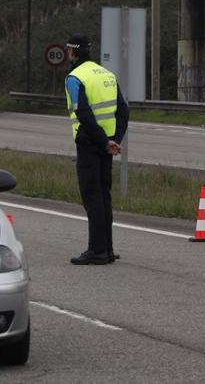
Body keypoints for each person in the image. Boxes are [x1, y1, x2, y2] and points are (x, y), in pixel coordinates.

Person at [63, 34, 130, 266]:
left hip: (91, 143)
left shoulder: (74, 78)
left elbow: (83, 114)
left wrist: (103, 141)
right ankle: (108, 249)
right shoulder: (107, 74)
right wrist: (114, 139)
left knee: (92, 196)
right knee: (104, 196)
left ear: (72, 52)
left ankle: (97, 251)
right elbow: (123, 111)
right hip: (108, 143)